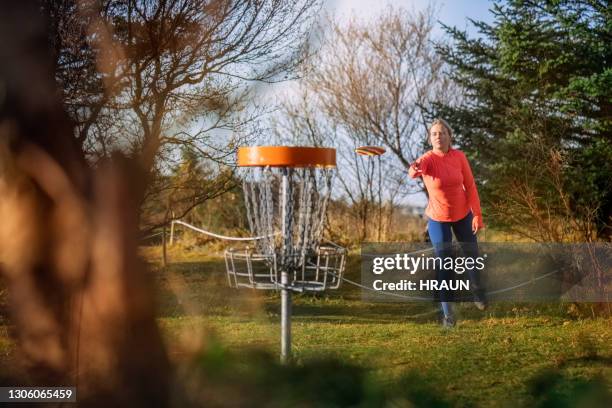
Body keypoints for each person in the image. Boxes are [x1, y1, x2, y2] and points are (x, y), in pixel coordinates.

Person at [409, 118, 487, 327]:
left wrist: (477, 214)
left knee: (472, 255)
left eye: (442, 133)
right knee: (445, 264)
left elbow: (470, 186)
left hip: (463, 214)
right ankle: (448, 315)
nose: (438, 136)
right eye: (434, 134)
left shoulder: (459, 157)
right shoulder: (427, 159)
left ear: (449, 137)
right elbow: (414, 171)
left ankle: (477, 291)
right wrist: (415, 168)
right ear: (430, 138)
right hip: (438, 218)